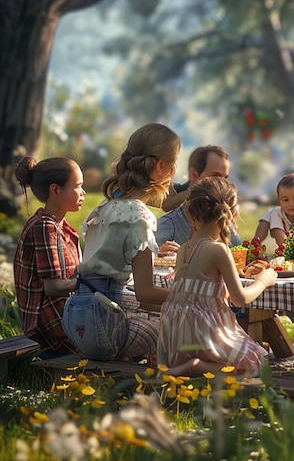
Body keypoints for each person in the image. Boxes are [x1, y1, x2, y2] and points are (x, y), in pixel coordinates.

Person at [62, 123, 180, 361]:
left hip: (80, 320)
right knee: (184, 326)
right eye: (174, 162)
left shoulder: (106, 206)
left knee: (161, 311)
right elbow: (145, 293)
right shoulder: (138, 216)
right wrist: (194, 296)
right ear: (160, 166)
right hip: (106, 328)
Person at [158, 177, 278, 377]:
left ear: (189, 213)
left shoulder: (183, 249)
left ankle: (184, 367)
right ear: (232, 213)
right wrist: (264, 281)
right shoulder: (218, 250)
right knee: (257, 364)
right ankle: (201, 367)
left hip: (177, 333)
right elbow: (239, 299)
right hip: (204, 332)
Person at [13, 157, 85, 356]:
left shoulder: (61, 227)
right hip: (47, 324)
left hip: (62, 313)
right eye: (78, 186)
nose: (83, 192)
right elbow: (53, 288)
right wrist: (91, 280)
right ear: (56, 190)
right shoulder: (45, 227)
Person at [155, 144, 240, 249]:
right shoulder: (169, 225)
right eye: (215, 176)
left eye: (225, 178)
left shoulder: (223, 218)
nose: (222, 184)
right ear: (194, 175)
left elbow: (241, 255)